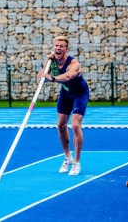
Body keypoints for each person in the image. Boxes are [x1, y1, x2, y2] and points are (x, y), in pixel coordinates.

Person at [36, 36, 89, 175]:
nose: (58, 48)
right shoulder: (51, 62)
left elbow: (67, 77)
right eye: (56, 46)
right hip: (65, 94)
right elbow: (39, 79)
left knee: (76, 125)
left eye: (61, 46)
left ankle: (77, 163)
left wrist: (52, 78)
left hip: (79, 94)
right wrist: (46, 65)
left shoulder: (74, 63)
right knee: (60, 125)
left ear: (66, 49)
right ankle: (68, 157)